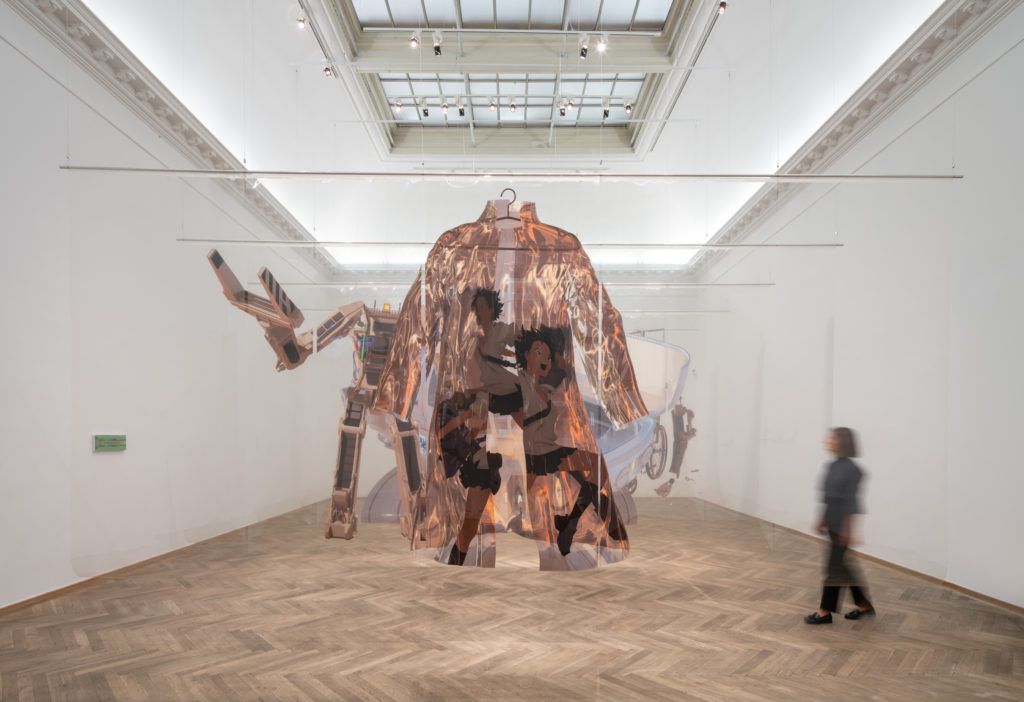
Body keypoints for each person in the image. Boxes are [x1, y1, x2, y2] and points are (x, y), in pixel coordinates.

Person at [805, 427, 875, 624]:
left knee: (833, 568)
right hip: (832, 521)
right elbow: (828, 497)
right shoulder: (831, 466)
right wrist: (822, 519)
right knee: (842, 568)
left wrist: (848, 529)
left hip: (842, 525)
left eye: (832, 439)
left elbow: (852, 502)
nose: (827, 442)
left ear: (842, 442)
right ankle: (863, 605)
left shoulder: (854, 470)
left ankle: (824, 611)